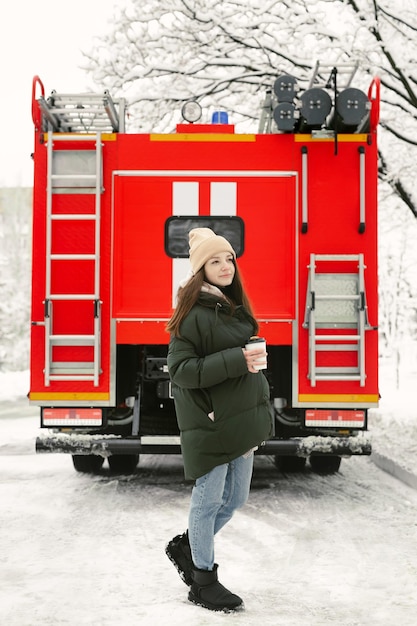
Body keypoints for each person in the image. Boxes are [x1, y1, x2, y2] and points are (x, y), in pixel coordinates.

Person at [165, 227, 273, 612]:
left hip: (238, 422)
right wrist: (238, 360)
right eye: (215, 261)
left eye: (228, 258)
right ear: (200, 270)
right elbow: (180, 370)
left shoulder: (232, 306)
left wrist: (252, 362)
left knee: (235, 499)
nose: (225, 266)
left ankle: (187, 546)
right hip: (212, 422)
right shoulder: (192, 314)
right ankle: (202, 580)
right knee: (209, 501)